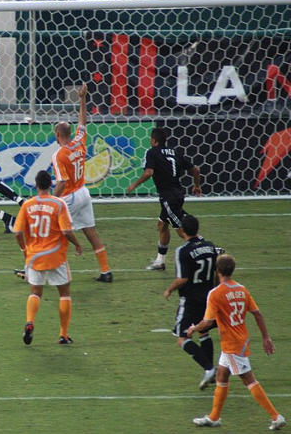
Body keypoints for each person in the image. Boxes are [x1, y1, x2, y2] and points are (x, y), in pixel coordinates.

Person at [187, 254, 286, 431]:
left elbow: (207, 322)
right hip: (238, 340)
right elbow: (257, 314)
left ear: (217, 270)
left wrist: (194, 329)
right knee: (221, 376)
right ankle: (214, 417)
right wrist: (266, 337)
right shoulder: (242, 290)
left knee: (249, 380)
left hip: (232, 344)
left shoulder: (215, 294)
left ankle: (276, 416)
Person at [51, 83, 112, 282]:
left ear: (58, 135)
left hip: (69, 197)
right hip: (83, 193)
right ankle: (106, 271)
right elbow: (83, 121)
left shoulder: (59, 155)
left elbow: (61, 182)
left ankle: (42, 270)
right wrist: (82, 98)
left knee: (53, 232)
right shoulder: (79, 141)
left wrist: (52, 201)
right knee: (91, 232)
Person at [15, 170, 83, 346]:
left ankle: (30, 321)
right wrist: (77, 244)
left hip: (34, 257)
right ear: (50, 185)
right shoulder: (58, 204)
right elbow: (66, 231)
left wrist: (24, 249)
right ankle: (63, 335)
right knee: (64, 294)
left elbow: (17, 232)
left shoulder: (27, 205)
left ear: (36, 185)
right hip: (56, 256)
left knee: (35, 292)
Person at [127, 126, 202, 270]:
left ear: (154, 139)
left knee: (183, 231)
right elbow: (195, 170)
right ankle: (160, 261)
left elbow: (149, 172)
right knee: (162, 225)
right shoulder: (175, 151)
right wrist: (197, 185)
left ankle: (210, 249)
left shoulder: (152, 152)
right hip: (177, 193)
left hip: (169, 197)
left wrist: (134, 184)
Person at [163, 215, 219, 390]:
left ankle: (209, 369)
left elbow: (183, 279)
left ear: (182, 231)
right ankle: (211, 373)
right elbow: (217, 272)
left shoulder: (183, 251)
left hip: (191, 300)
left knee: (182, 338)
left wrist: (169, 289)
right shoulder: (210, 246)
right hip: (209, 297)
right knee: (203, 331)